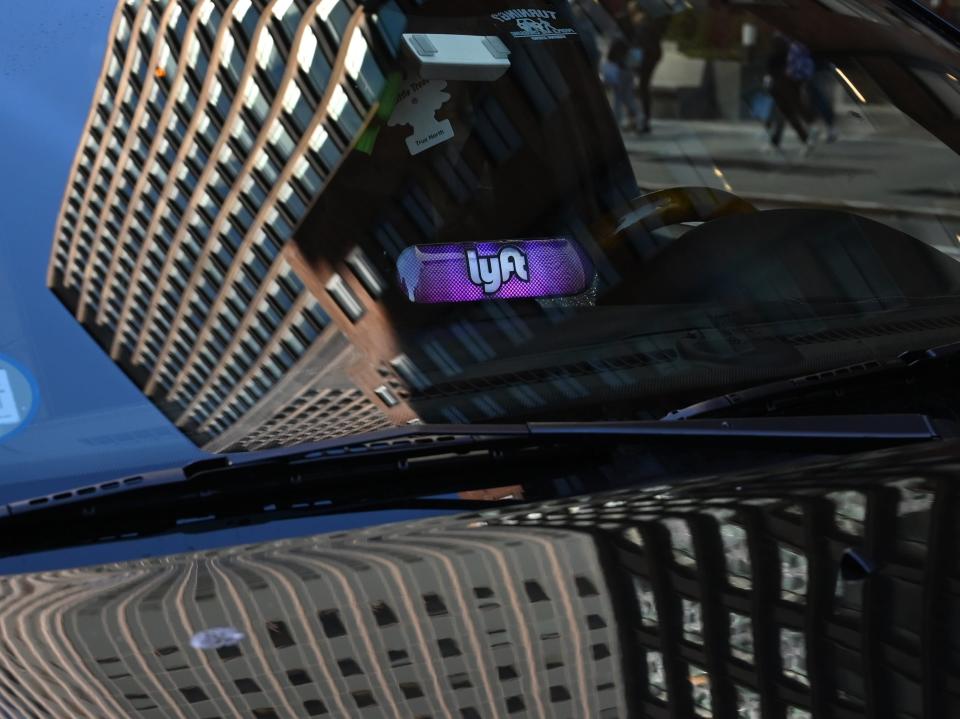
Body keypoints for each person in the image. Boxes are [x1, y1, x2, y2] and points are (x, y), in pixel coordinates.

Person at [765, 34, 813, 153]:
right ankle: (804, 137)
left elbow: (773, 65)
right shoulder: (790, 45)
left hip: (783, 85)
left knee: (786, 114)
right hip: (788, 84)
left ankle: (806, 136)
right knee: (787, 114)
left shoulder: (783, 45)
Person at [627, 3, 670, 133]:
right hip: (649, 54)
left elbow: (639, 43)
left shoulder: (644, 22)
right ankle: (639, 119)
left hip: (646, 55)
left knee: (641, 87)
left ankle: (641, 120)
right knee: (641, 86)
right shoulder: (648, 21)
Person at [602, 38, 641, 130]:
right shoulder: (628, 46)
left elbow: (610, 58)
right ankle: (638, 119)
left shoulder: (616, 44)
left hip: (619, 74)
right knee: (628, 98)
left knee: (617, 99)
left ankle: (617, 122)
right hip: (628, 73)